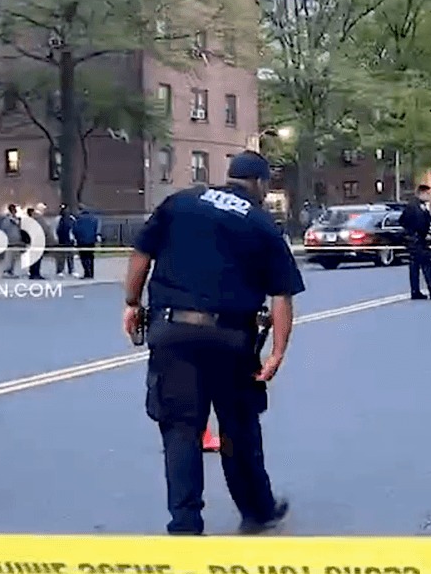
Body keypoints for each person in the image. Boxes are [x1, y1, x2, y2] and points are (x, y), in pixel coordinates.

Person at [123, 150, 303, 536]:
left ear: (229, 175)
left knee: (180, 430)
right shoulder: (261, 222)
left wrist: (132, 303)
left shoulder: (180, 201)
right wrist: (277, 353)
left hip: (172, 331)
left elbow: (141, 254)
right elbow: (281, 296)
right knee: (239, 428)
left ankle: (185, 524)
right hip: (230, 337)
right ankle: (257, 513)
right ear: (261, 184)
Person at [399, 184, 431, 300]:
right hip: (417, 240)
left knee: (415, 266)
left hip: (416, 239)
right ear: (421, 193)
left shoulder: (419, 205)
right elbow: (410, 221)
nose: (429, 196)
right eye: (427, 194)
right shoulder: (414, 206)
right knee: (426, 265)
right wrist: (419, 233)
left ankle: (416, 291)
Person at [25, 206, 55, 280]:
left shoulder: (33, 220)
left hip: (38, 241)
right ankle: (35, 273)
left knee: (35, 258)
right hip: (41, 240)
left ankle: (34, 273)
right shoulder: (39, 219)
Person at [73, 205, 100, 279]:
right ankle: (91, 273)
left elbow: (75, 229)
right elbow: (96, 229)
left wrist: (76, 238)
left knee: (84, 257)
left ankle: (86, 272)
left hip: (81, 241)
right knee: (90, 257)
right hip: (91, 241)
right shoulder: (93, 218)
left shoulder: (78, 219)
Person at [55, 204, 76, 277]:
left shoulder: (59, 218)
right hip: (65, 240)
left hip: (63, 240)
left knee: (65, 256)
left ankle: (64, 270)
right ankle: (65, 270)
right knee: (66, 256)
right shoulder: (70, 218)